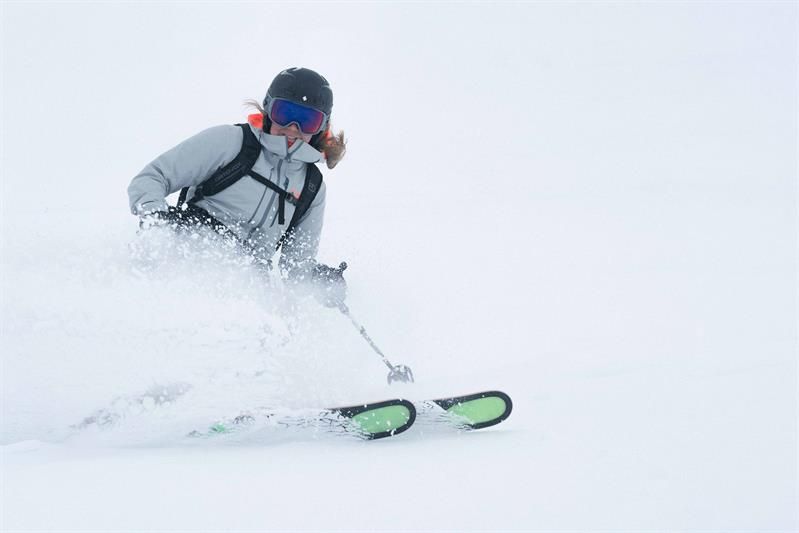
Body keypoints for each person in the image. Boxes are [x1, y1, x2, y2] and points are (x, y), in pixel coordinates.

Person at [127, 67, 348, 305]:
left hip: (247, 293)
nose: (293, 127)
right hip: (185, 258)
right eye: (285, 113)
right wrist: (157, 222)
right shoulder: (231, 142)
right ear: (268, 109)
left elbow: (295, 270)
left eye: (308, 120)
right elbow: (152, 178)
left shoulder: (311, 188)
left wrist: (319, 283)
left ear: (322, 127)